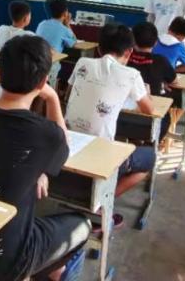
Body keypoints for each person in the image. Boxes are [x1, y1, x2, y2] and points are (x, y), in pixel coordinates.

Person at [0, 36, 91, 281]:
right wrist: (53, 98)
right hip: (8, 261)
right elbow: (63, 145)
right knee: (81, 224)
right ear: (43, 81)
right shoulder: (47, 134)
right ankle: (51, 273)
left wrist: (37, 171)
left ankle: (49, 270)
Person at [65, 23, 155, 200]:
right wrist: (147, 94)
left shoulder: (83, 63)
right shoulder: (132, 75)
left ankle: (99, 196)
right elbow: (149, 110)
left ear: (99, 48)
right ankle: (104, 201)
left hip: (68, 144)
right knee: (149, 158)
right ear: (129, 52)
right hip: (100, 154)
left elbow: (69, 94)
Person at [129, 22, 176, 97]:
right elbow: (174, 80)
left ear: (132, 41)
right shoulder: (161, 61)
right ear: (156, 42)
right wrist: (162, 81)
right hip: (153, 101)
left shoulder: (125, 58)